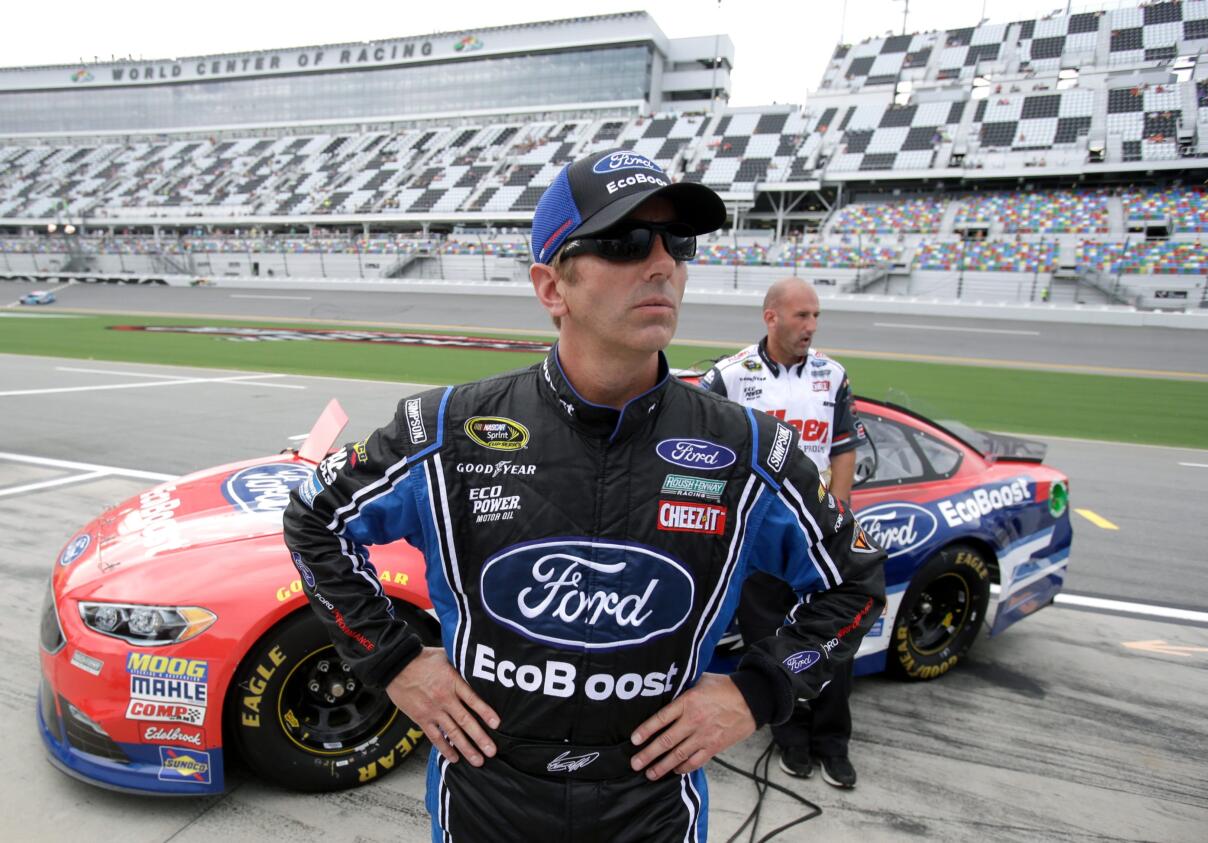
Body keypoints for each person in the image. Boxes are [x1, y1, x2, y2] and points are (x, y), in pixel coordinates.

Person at [283, 149, 885, 842]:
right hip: (486, 797)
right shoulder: (448, 429)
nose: (661, 263)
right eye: (625, 242)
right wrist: (392, 662)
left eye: (675, 243)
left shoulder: (750, 448)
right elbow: (314, 520)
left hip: (650, 807)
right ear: (551, 287)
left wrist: (758, 690)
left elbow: (856, 583)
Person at [700, 278, 871, 788]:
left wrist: (837, 515)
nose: (811, 327)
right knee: (772, 641)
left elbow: (843, 448)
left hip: (815, 535)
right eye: (801, 316)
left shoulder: (832, 374)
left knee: (833, 639)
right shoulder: (729, 376)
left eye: (816, 316)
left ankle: (833, 743)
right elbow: (706, 451)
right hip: (756, 535)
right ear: (770, 317)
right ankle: (791, 741)